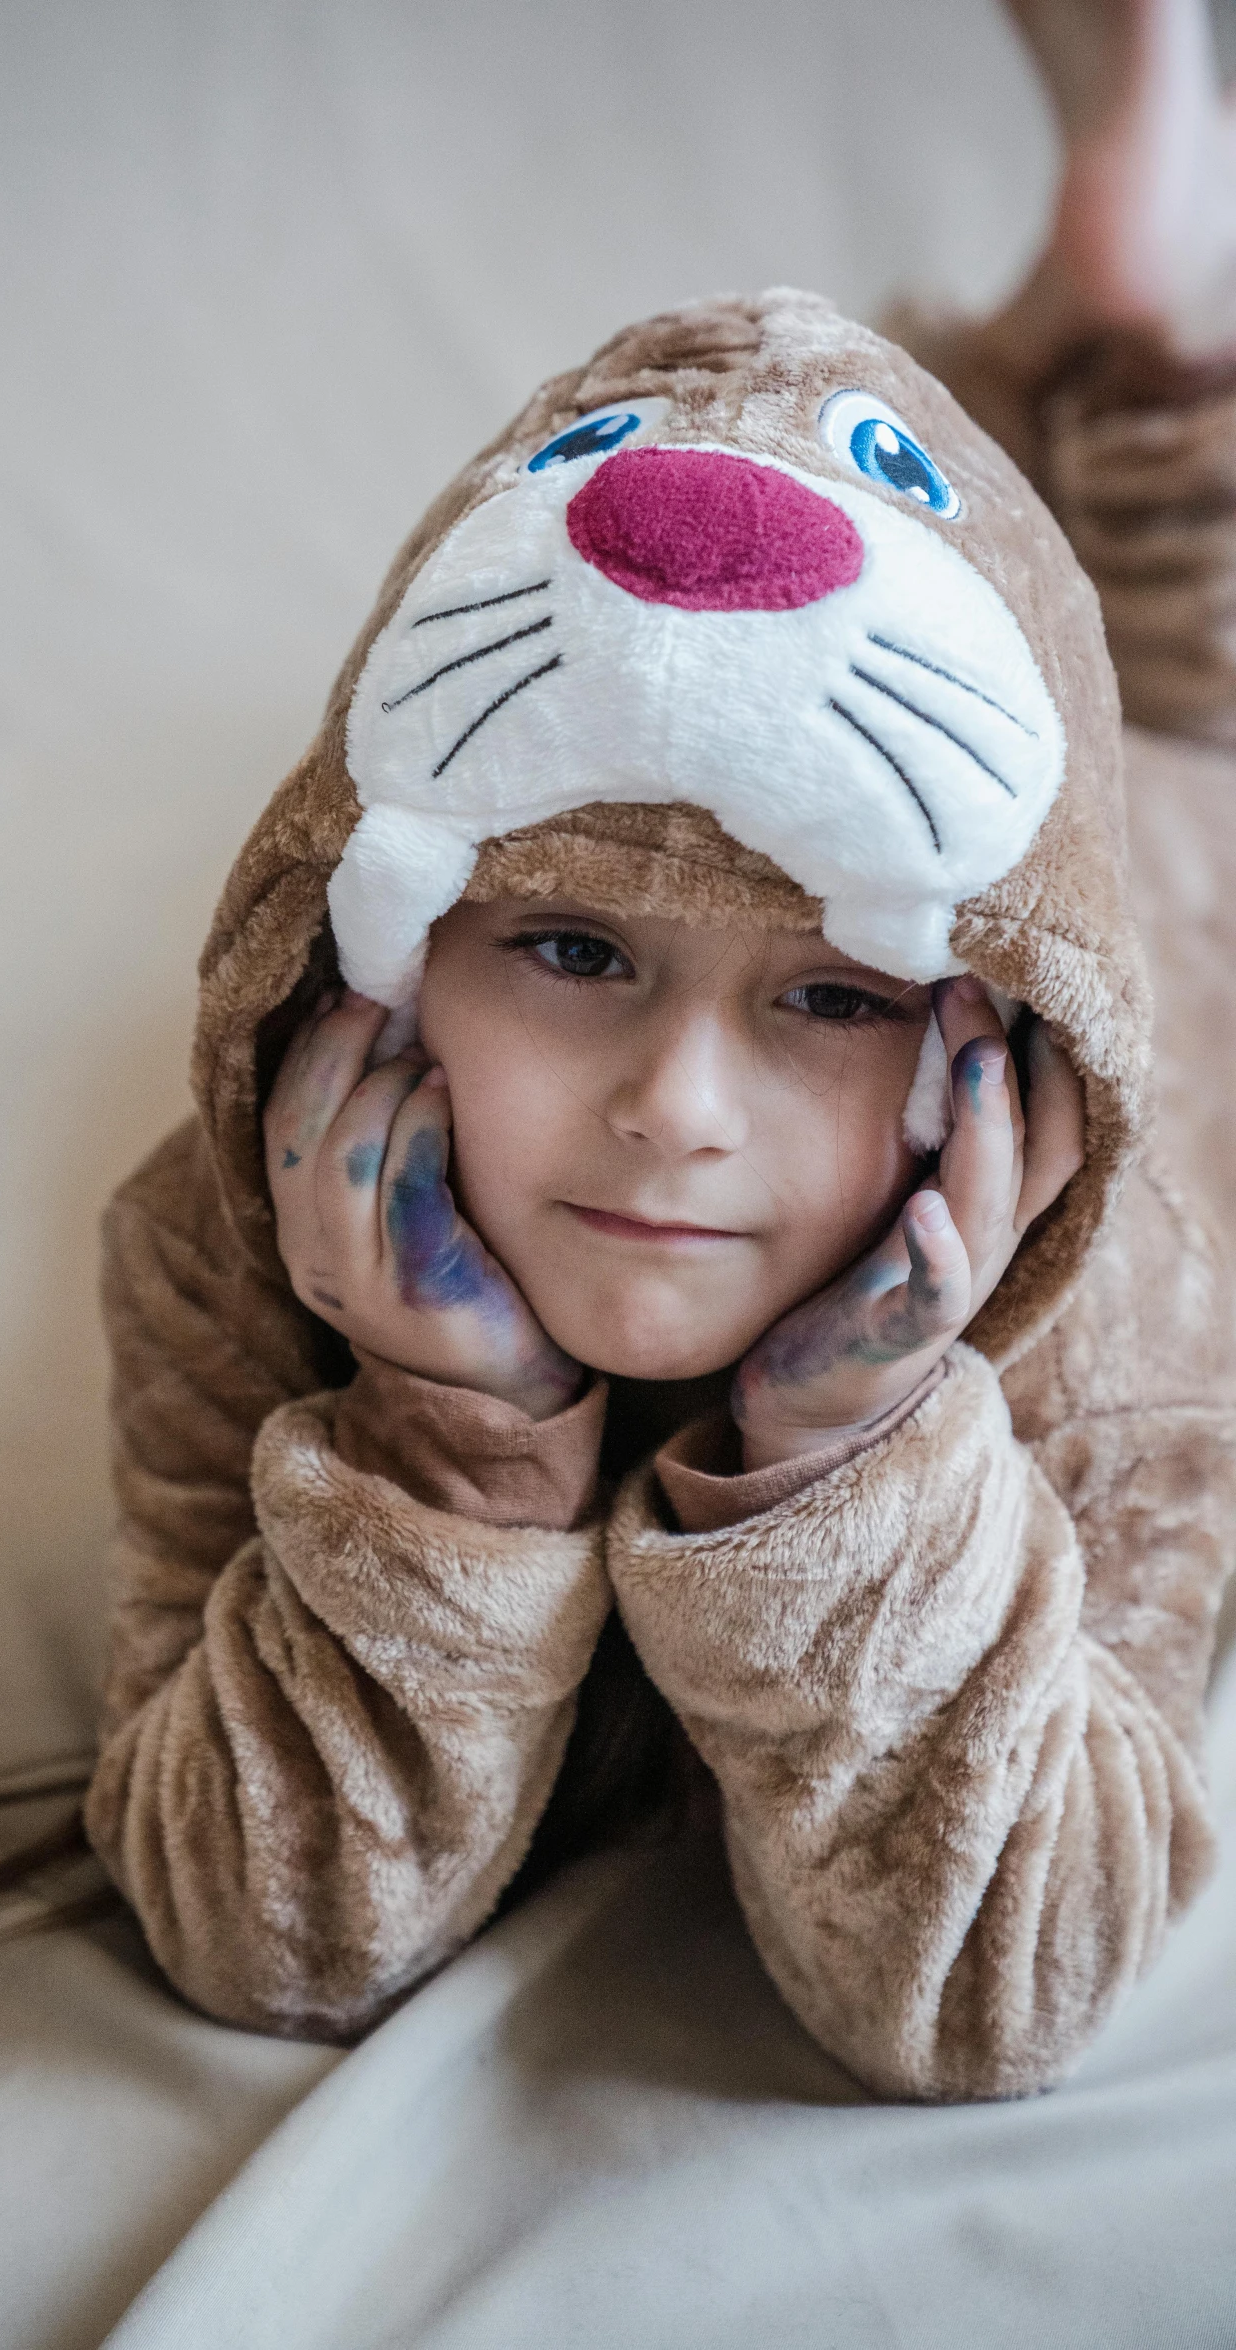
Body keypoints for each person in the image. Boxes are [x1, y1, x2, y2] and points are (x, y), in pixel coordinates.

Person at [80, 200, 1236, 2092]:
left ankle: (1116, 300)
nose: (678, 1110)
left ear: (984, 1060)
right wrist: (438, 1448)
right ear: (378, 974)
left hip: (1189, 839)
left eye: (839, 1000)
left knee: (1175, 630)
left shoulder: (1120, 1304)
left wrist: (853, 1466)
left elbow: (990, 1998)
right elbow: (263, 1939)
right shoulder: (235, 1233)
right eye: (569, 948)